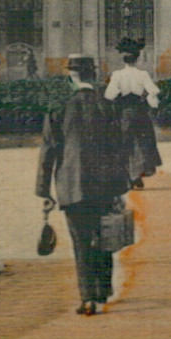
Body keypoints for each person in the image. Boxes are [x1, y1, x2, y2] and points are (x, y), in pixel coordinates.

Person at [36, 54, 130, 316]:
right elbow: (119, 148)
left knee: (81, 242)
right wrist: (120, 188)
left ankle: (87, 298)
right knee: (103, 235)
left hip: (71, 184)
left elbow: (48, 149)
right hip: (104, 184)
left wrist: (44, 191)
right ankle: (103, 290)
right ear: (93, 74)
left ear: (70, 75)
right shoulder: (107, 103)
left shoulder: (59, 104)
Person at [104, 36, 162, 188]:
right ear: (136, 59)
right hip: (140, 113)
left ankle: (130, 176)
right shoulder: (142, 74)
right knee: (142, 142)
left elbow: (109, 95)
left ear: (123, 59)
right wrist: (152, 102)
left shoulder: (117, 75)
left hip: (124, 114)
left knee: (125, 143)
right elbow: (153, 92)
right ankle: (137, 175)